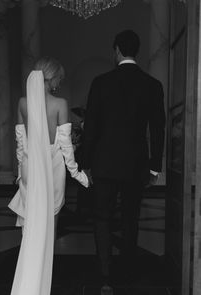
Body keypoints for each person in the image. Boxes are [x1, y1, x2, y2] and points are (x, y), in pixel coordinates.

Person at [81, 30, 165, 294]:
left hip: (104, 164)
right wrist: (155, 167)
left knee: (102, 218)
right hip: (136, 164)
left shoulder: (100, 82)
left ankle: (105, 275)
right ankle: (128, 270)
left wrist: (85, 163)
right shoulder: (152, 85)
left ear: (116, 50)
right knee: (131, 218)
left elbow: (91, 127)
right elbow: (158, 128)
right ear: (135, 51)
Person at [8, 57, 89, 295]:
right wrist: (78, 175)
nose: (59, 84)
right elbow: (66, 148)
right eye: (59, 79)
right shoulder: (60, 104)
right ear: (52, 79)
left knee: (32, 222)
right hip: (51, 169)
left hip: (30, 169)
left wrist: (21, 174)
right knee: (49, 224)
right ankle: (42, 280)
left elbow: (21, 143)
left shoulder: (23, 103)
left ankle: (29, 279)